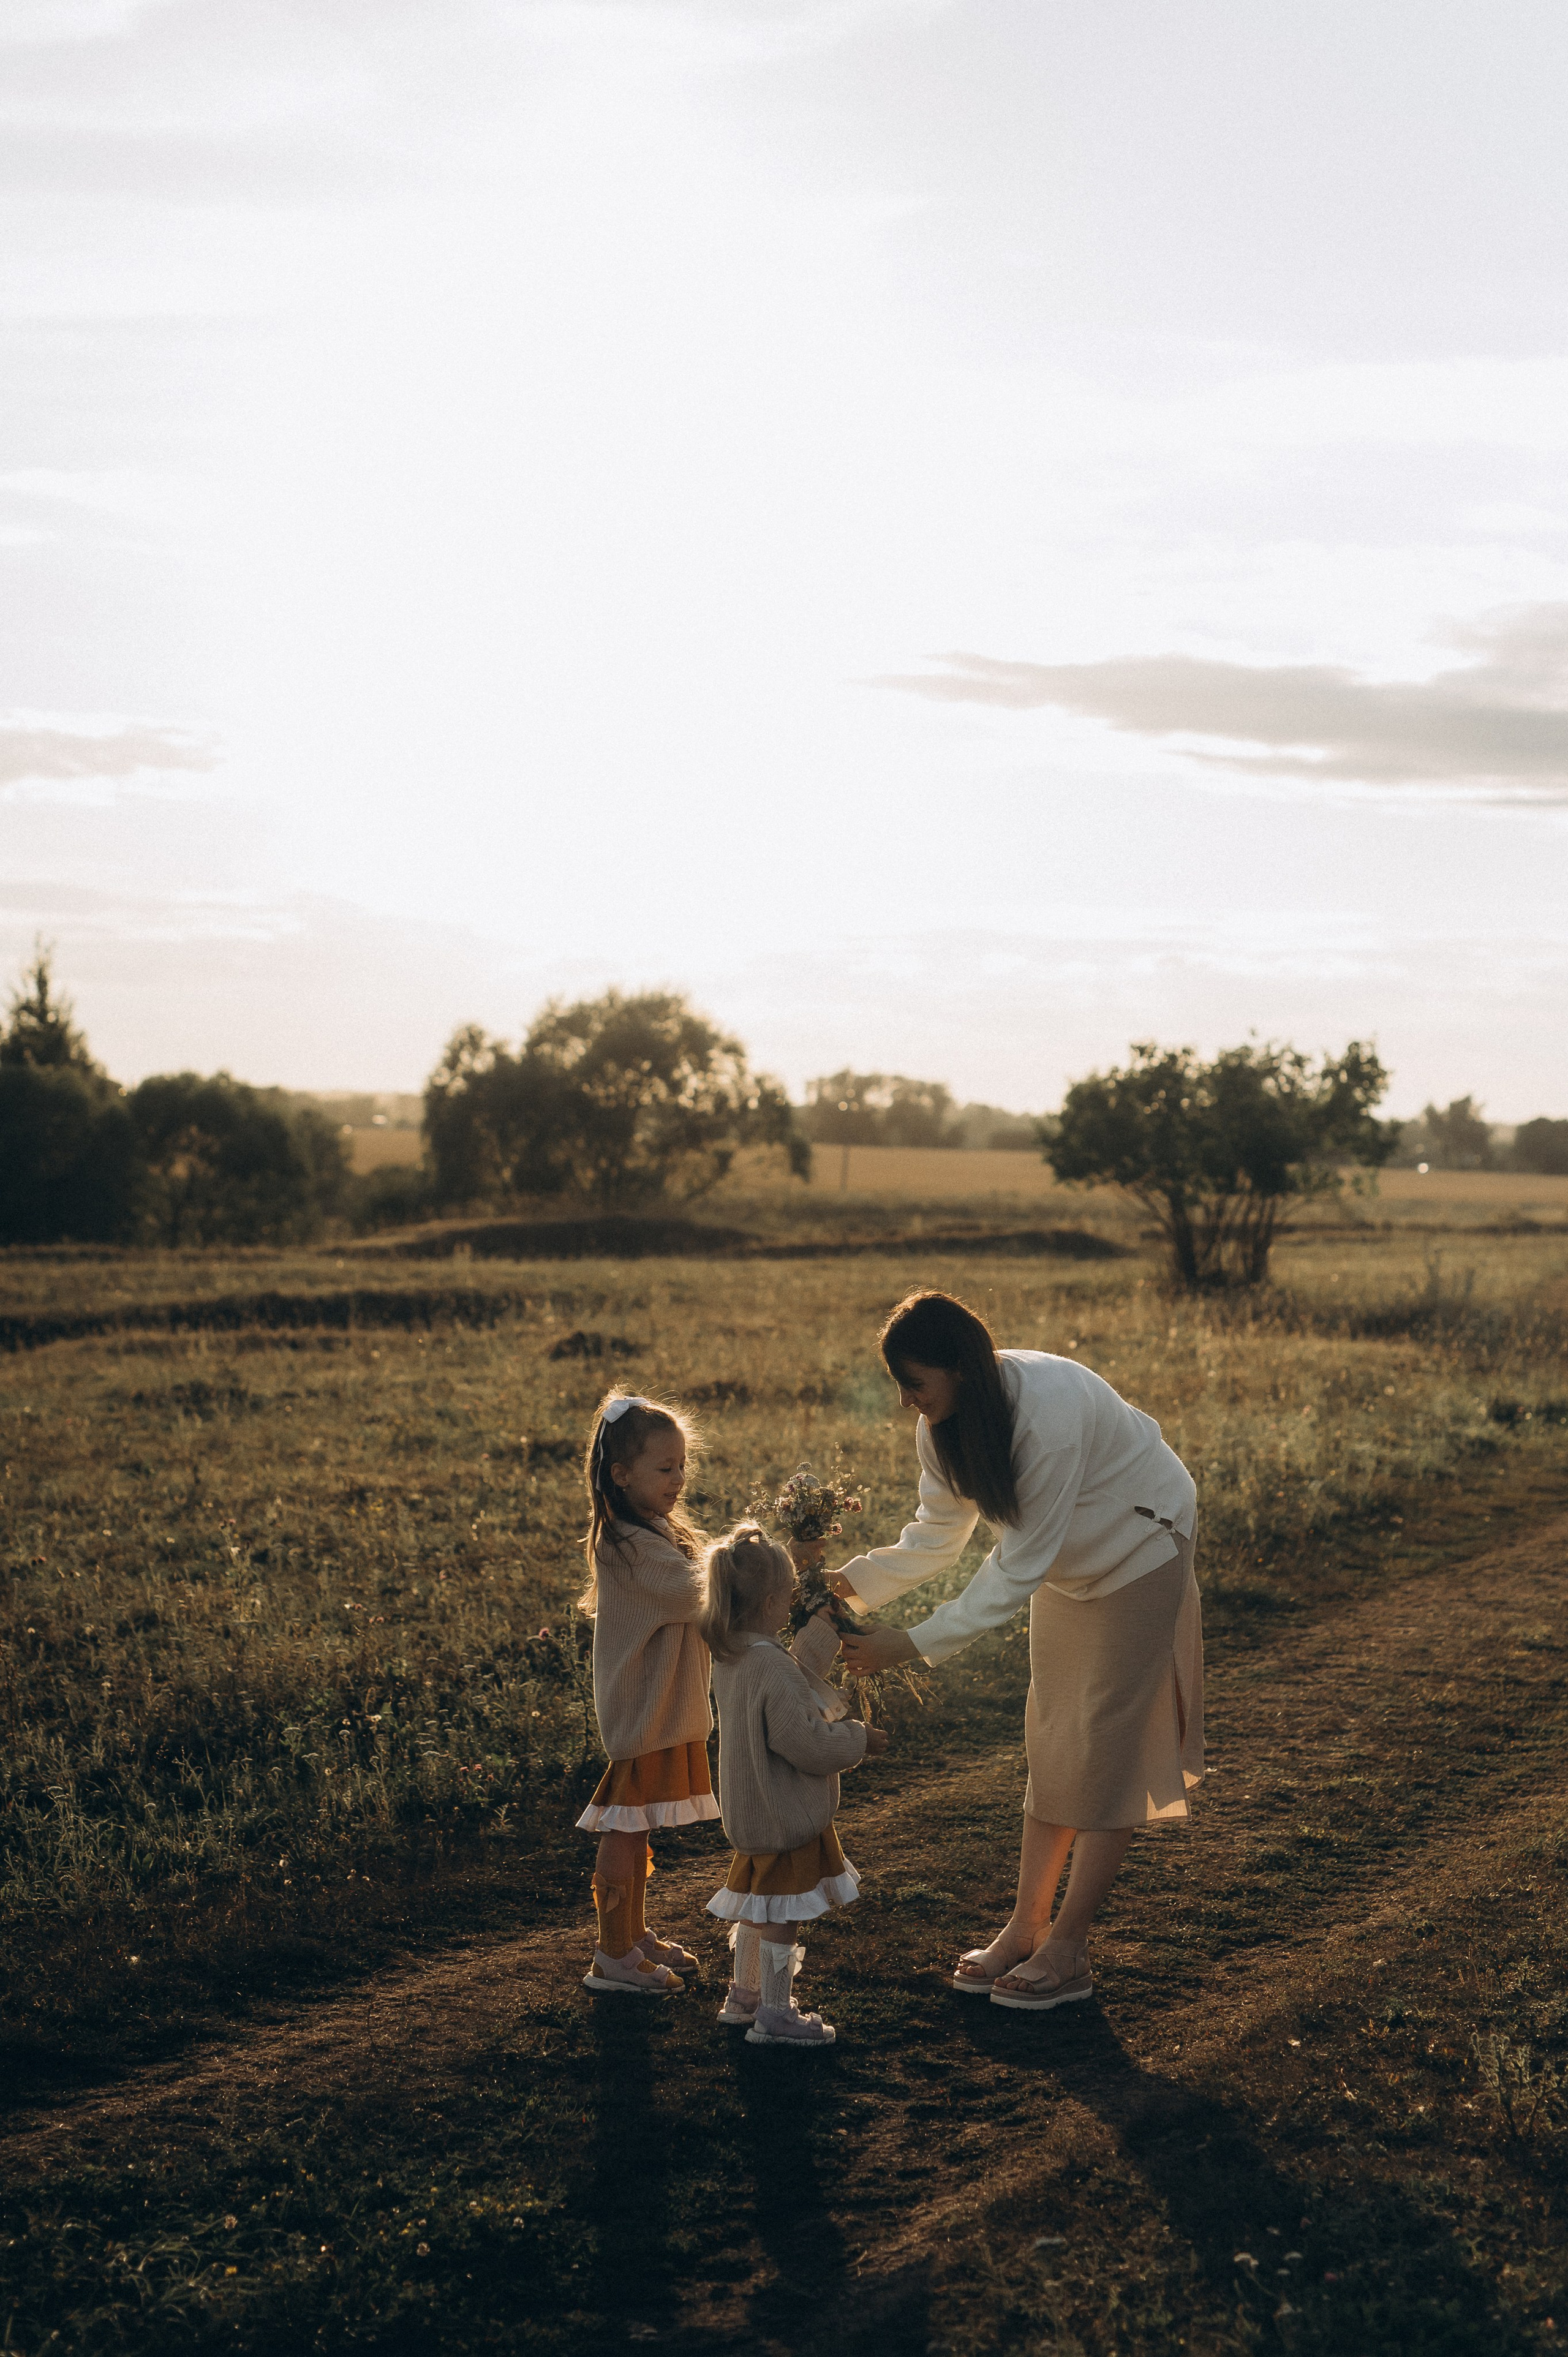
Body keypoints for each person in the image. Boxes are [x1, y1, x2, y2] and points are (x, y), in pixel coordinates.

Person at [824, 1290, 1202, 2013]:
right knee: (1053, 1737)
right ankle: (1024, 1927)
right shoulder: (941, 1427)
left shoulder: (1047, 1411)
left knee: (1105, 1745)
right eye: (899, 1384)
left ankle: (1069, 1945)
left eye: (915, 1382)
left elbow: (1017, 1566)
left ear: (960, 1367)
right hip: (1069, 1567)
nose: (906, 1400)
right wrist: (852, 1587)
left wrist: (909, 1643)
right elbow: (936, 1536)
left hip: (1142, 1548)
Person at [699, 1523, 888, 2046]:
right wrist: (857, 1739)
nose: (789, 1608)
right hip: (784, 1814)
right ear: (767, 1606)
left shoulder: (734, 1656)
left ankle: (745, 1997)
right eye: (785, 1599)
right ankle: (777, 2014)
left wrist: (819, 1637)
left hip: (752, 1812)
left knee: (760, 1906)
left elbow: (788, 1677)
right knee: (782, 1915)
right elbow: (803, 1741)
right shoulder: (770, 1667)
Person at [575, 1391, 719, 1996]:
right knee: (625, 1829)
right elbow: (696, 1593)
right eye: (666, 1468)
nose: (679, 1478)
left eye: (684, 1465)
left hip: (663, 1713)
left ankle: (631, 1934)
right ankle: (611, 1954)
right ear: (621, 1474)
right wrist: (763, 1558)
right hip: (642, 1715)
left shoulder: (654, 1530)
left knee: (638, 1831)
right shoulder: (628, 1547)